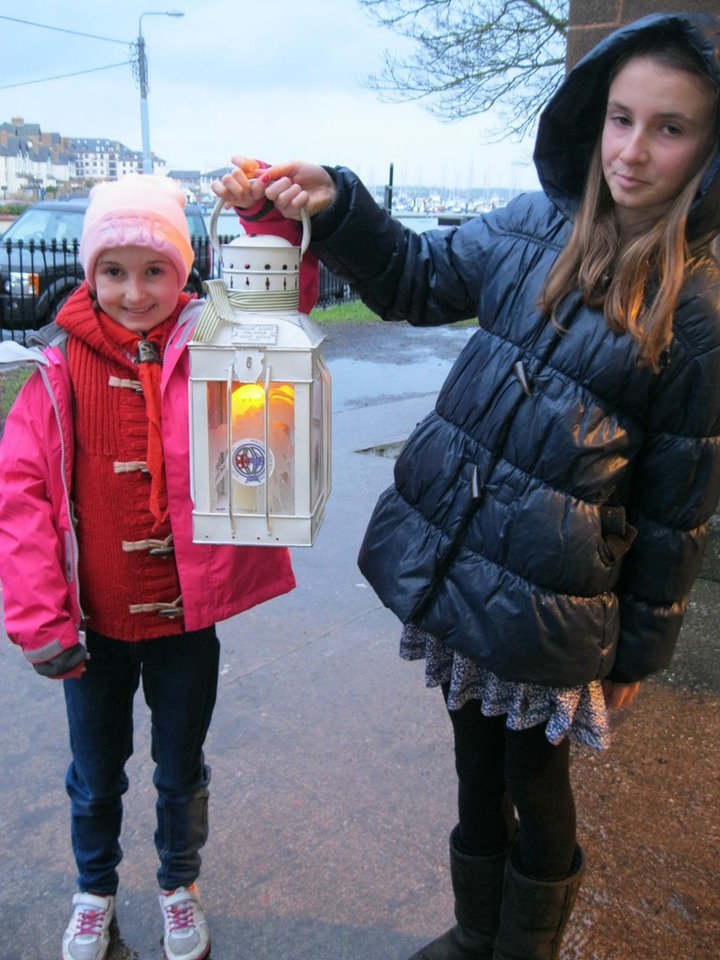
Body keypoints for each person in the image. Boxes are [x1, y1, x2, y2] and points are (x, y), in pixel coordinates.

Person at [212, 12, 720, 960]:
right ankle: (474, 930)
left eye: (670, 128)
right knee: (472, 763)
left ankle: (523, 947)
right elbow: (417, 278)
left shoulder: (696, 310)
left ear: (707, 147)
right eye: (621, 118)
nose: (633, 150)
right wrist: (338, 201)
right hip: (461, 562)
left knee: (536, 778)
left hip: (553, 602)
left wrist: (638, 657)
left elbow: (675, 510)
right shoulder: (529, 225)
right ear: (593, 116)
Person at [0, 173, 317, 960]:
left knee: (180, 770)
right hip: (92, 630)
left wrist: (266, 217)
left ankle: (179, 885)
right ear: (90, 273)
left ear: (185, 272)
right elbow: (20, 499)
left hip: (184, 620)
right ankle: (94, 891)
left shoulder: (218, 342)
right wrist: (38, 617)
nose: (135, 292)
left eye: (154, 271)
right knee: (94, 776)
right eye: (114, 271)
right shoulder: (55, 370)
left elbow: (285, 303)